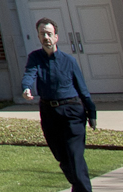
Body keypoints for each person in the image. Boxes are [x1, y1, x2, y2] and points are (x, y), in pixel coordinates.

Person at [22, 16, 98, 192]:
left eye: (49, 34)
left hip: (72, 112)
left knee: (75, 156)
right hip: (49, 113)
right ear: (39, 37)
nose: (46, 37)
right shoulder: (35, 58)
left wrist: (91, 113)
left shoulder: (69, 61)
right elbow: (29, 74)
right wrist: (26, 88)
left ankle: (82, 189)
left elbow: (83, 89)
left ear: (56, 37)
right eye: (42, 34)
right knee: (62, 157)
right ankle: (79, 186)